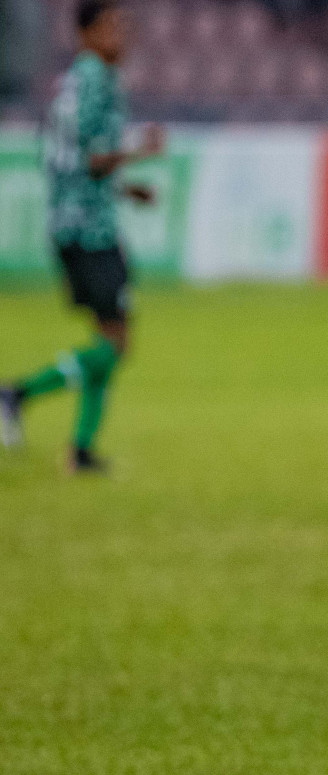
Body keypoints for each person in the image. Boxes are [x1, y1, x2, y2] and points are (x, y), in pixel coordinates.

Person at [0, 0, 161, 473]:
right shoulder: (95, 81)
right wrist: (138, 152)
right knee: (116, 342)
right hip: (88, 230)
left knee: (108, 340)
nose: (121, 36)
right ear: (85, 34)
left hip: (79, 222)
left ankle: (81, 450)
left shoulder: (78, 81)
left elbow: (69, 157)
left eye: (122, 26)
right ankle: (18, 393)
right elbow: (91, 158)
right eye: (110, 27)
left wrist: (124, 188)